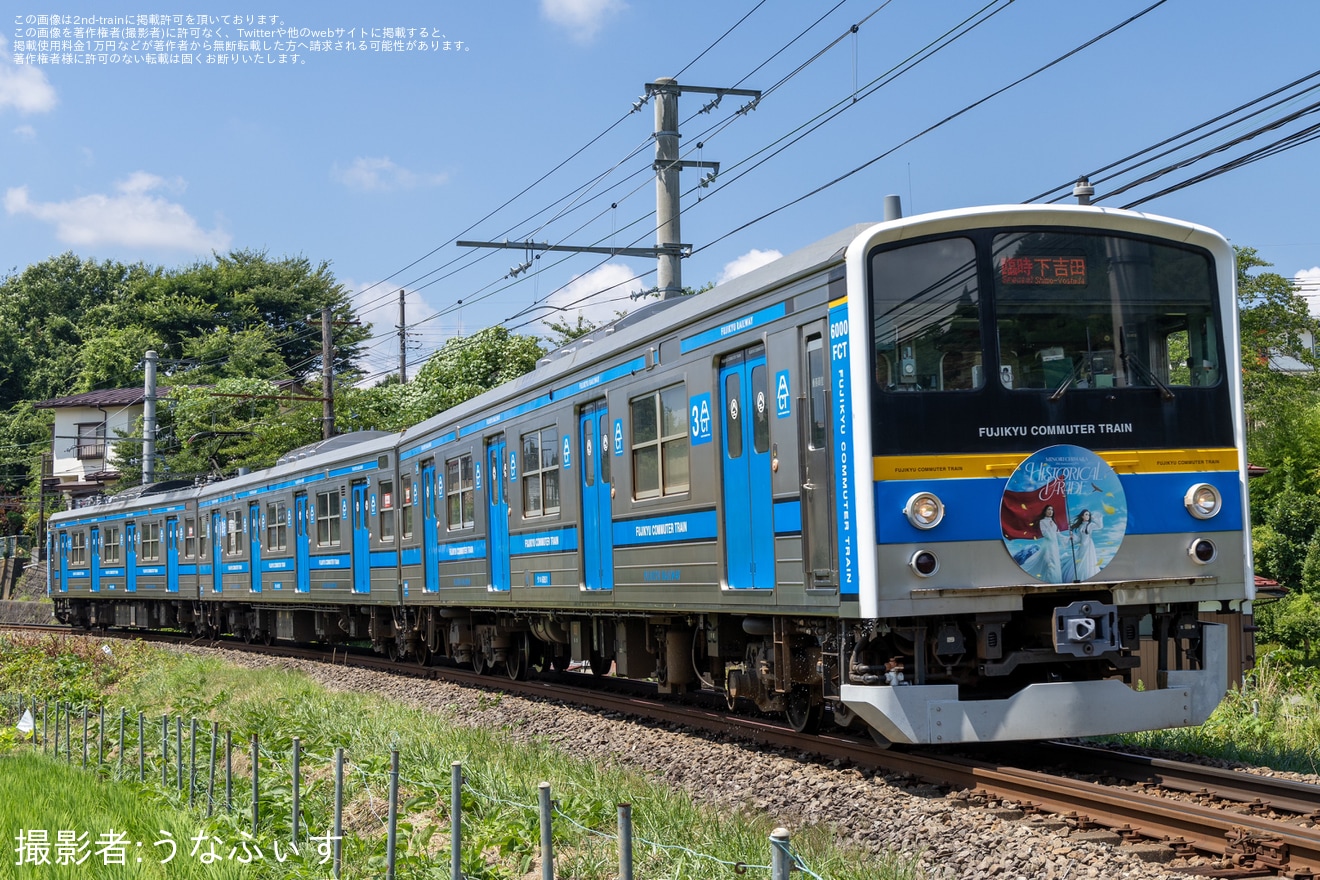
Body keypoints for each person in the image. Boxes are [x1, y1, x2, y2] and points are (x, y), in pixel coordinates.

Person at [1069, 509, 1102, 580]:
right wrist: (1072, 536)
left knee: (1088, 560)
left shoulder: (1090, 525)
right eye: (1086, 514)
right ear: (1082, 516)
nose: (1088, 516)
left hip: (1089, 545)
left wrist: (1095, 518)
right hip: (1082, 546)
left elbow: (1100, 526)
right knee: (1081, 561)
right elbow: (1078, 538)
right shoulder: (1080, 526)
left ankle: (1088, 577)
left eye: (1089, 515)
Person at [1035, 505, 1063, 583]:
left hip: (1055, 545)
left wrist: (1067, 538)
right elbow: (1044, 533)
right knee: (1050, 562)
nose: (1051, 511)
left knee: (1055, 561)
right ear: (1045, 511)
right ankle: (1051, 581)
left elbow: (1057, 533)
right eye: (1049, 509)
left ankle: (1057, 581)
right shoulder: (1042, 521)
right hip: (1048, 544)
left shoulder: (1053, 522)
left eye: (1052, 510)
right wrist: (1052, 534)